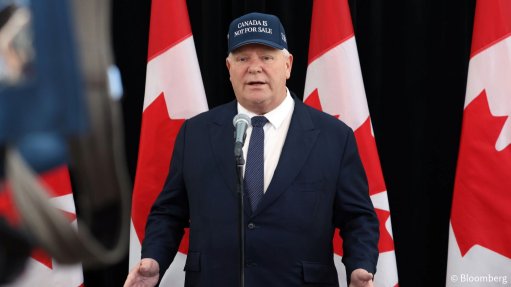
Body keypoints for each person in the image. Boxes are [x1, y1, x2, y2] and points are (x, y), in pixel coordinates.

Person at [124, 12, 379, 287]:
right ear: (229, 67)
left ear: (288, 65)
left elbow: (358, 218)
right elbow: (168, 212)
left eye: (267, 57)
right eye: (243, 58)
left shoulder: (333, 137)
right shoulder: (194, 134)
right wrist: (153, 259)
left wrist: (360, 265)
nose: (254, 68)